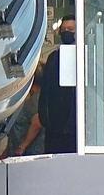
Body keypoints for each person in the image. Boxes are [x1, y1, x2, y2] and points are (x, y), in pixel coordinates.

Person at [16, 13, 77, 155]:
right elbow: (46, 91)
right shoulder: (54, 57)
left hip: (75, 129)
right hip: (55, 127)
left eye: (71, 29)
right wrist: (46, 118)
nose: (67, 32)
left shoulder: (84, 56)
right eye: (64, 29)